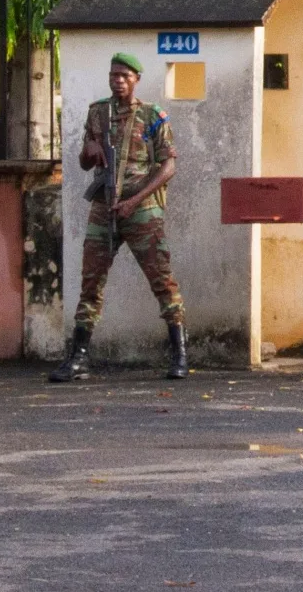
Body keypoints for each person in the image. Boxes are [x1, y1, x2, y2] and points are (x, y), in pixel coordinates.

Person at [49, 54, 186, 382]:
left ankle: (179, 354)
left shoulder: (153, 115)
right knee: (91, 281)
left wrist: (135, 200)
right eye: (113, 75)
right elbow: (84, 162)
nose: (118, 80)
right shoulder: (98, 112)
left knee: (161, 279)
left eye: (124, 75)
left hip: (141, 210)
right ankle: (79, 357)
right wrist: (90, 150)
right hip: (104, 206)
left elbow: (168, 166)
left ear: (136, 78)